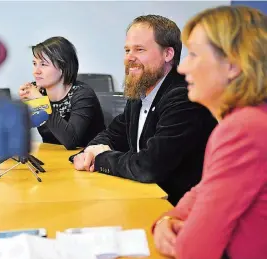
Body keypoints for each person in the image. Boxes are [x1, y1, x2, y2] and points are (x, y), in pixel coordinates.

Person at [152, 5, 267, 259]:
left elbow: (193, 250)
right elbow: (203, 190)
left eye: (193, 55)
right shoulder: (252, 118)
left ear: (233, 64)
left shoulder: (242, 129)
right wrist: (167, 220)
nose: (182, 69)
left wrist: (174, 229)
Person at [72, 15, 217, 205]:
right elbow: (113, 134)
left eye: (139, 49)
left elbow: (150, 166)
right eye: (127, 50)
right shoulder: (139, 94)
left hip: (177, 208)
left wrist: (100, 159)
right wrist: (91, 151)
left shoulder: (182, 98)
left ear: (168, 54)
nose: (129, 58)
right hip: (144, 198)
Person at [19, 36, 105, 150]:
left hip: (86, 161)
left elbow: (71, 141)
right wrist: (21, 109)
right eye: (34, 63)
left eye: (43, 64)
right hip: (52, 158)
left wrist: (41, 102)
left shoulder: (83, 94)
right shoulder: (38, 91)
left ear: (63, 67)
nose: (36, 71)